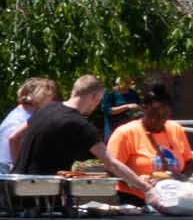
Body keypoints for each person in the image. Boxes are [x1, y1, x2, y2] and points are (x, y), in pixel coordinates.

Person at [10, 75, 143, 193]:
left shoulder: (46, 108)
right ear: (94, 97)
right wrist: (146, 188)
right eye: (98, 101)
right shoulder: (80, 124)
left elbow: (14, 137)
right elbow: (111, 163)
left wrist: (19, 172)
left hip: (15, 189)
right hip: (43, 195)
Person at [109, 83, 193, 184]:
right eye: (154, 113)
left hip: (171, 191)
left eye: (164, 114)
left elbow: (189, 162)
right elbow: (111, 169)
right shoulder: (125, 133)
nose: (159, 118)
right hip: (137, 192)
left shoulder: (176, 129)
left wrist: (181, 178)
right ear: (144, 108)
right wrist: (137, 182)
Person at [0, 77, 56, 174]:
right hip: (8, 174)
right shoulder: (22, 119)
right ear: (40, 96)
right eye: (50, 97)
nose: (52, 102)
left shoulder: (21, 113)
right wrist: (19, 169)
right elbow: (13, 139)